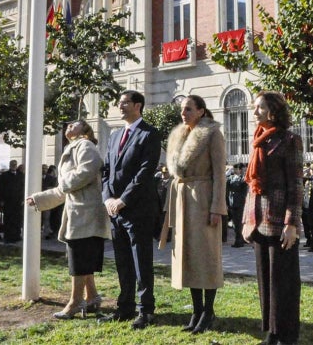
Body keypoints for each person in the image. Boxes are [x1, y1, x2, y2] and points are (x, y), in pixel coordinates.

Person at [27, 120, 110, 319]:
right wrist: (39, 199)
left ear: (85, 130)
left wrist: (63, 182)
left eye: (75, 124)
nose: (69, 126)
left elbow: (86, 172)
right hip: (79, 211)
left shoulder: (86, 145)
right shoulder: (74, 147)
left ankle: (75, 301)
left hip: (86, 212)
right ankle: (92, 297)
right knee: (82, 257)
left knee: (79, 258)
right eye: (68, 125)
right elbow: (64, 189)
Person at [159, 95, 227, 334]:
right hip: (183, 201)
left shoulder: (212, 134)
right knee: (187, 258)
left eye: (188, 109)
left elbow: (220, 174)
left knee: (205, 257)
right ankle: (196, 310)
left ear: (201, 111)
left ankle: (208, 311)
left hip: (203, 200)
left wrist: (217, 207)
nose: (183, 113)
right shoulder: (180, 135)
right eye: (181, 109)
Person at [242, 91, 303, 345]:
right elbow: (252, 185)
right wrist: (247, 220)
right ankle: (271, 331)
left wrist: (291, 224)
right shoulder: (258, 140)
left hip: (280, 222)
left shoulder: (290, 140)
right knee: (265, 281)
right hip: (259, 222)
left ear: (273, 111)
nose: (254, 112)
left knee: (283, 282)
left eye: (259, 108)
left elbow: (296, 185)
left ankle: (286, 335)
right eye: (254, 107)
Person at [100, 90, 161, 330]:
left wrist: (123, 199)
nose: (120, 106)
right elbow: (106, 171)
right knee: (122, 261)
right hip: (115, 210)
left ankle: (145, 310)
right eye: (119, 103)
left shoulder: (149, 134)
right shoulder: (115, 136)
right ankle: (124, 306)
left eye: (125, 102)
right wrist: (107, 199)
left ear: (138, 105)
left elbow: (145, 173)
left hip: (138, 209)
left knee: (141, 262)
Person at [0, 159, 24, 243]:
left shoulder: (21, 175)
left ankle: (17, 235)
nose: (14, 165)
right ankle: (8, 236)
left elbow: (23, 188)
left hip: (18, 201)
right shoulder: (4, 175)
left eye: (15, 164)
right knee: (8, 218)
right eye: (12, 164)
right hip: (8, 201)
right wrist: (2, 199)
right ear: (9, 165)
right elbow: (1, 188)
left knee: (17, 219)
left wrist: (22, 199)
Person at [227, 163, 248, 248]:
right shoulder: (231, 178)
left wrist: (243, 173)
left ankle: (239, 241)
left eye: (236, 169)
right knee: (235, 224)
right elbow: (226, 184)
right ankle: (240, 239)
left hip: (240, 204)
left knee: (238, 223)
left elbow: (243, 182)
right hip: (232, 203)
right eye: (234, 169)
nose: (234, 170)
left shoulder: (242, 179)